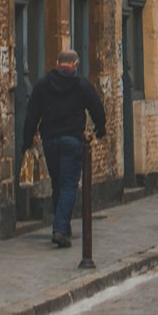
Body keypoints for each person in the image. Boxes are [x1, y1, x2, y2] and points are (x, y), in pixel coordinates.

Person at [23, 49, 106, 248]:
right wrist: (100, 129)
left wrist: (27, 142)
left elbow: (32, 114)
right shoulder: (80, 85)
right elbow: (96, 107)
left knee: (58, 183)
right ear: (75, 64)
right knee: (69, 184)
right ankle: (60, 228)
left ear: (58, 63)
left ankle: (64, 228)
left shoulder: (43, 85)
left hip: (50, 139)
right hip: (72, 139)